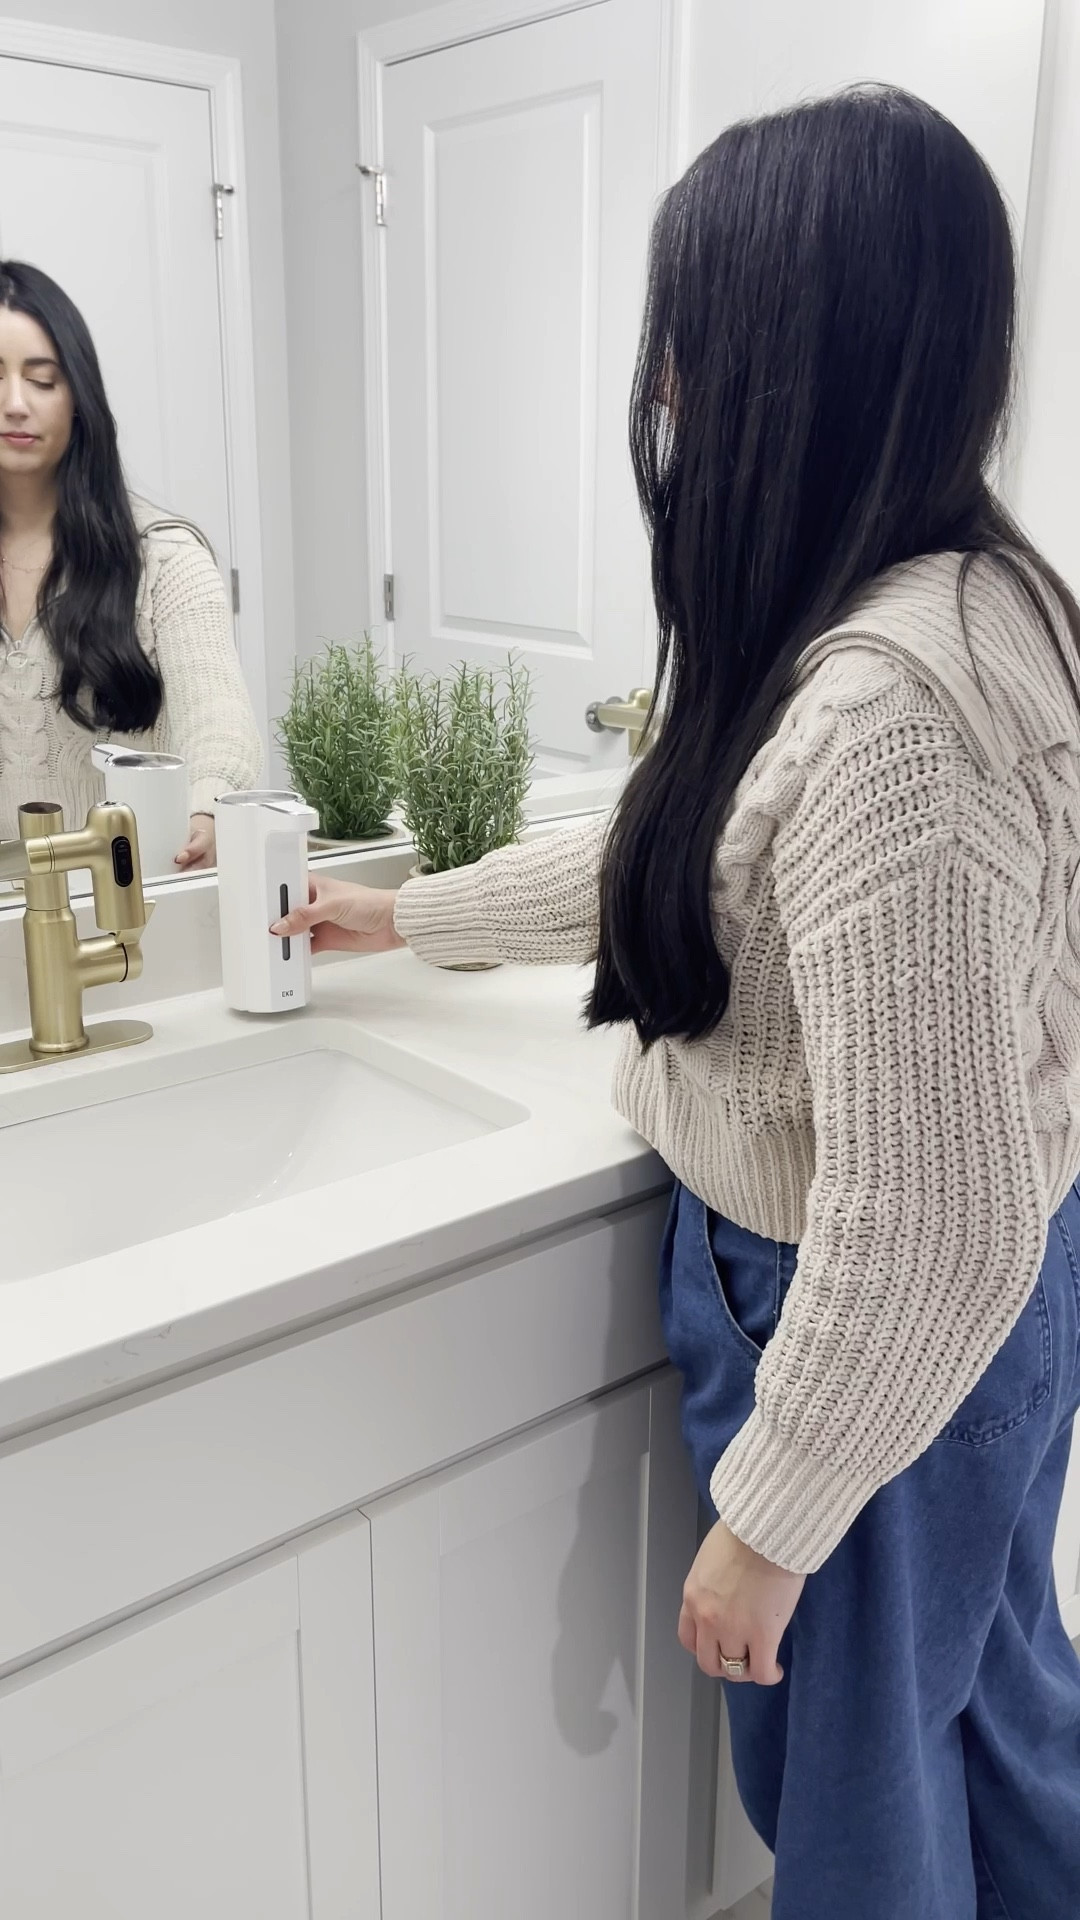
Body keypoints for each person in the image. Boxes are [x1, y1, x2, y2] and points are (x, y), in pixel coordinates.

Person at [273, 88, 1080, 1918]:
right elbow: (707, 854)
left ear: (795, 363)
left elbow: (930, 1217)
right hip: (985, 1322)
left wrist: (774, 1517)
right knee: (991, 1737)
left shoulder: (893, 715)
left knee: (865, 1824)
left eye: (688, 344)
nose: (664, 394)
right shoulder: (969, 597)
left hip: (855, 1321)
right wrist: (408, 916)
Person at [0, 261, 262, 868]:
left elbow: (220, 723)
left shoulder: (165, 560)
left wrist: (209, 807)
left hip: (126, 902)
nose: (15, 403)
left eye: (42, 380)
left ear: (78, 398)